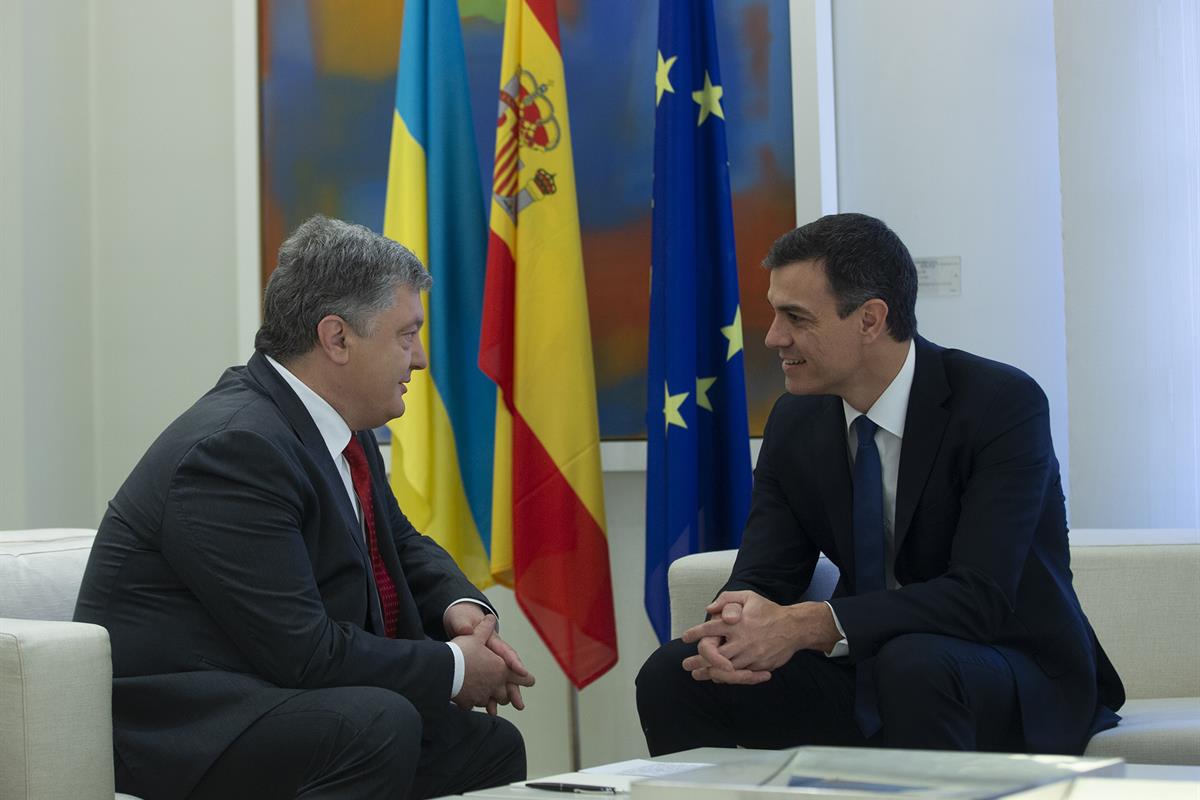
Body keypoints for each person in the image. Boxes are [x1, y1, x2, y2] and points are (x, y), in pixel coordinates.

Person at [75, 215, 534, 800]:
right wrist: (456, 668)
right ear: (337, 338)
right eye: (405, 335)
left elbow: (398, 541)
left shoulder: (338, 425)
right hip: (187, 726)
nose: (419, 359)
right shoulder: (232, 450)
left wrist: (458, 607)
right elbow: (305, 652)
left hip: (278, 700)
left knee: (485, 749)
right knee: (378, 725)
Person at [636, 213, 1124, 757]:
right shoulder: (795, 422)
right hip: (870, 666)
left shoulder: (999, 404)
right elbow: (767, 573)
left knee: (915, 665)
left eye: (795, 317)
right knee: (675, 674)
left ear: (870, 319)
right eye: (775, 314)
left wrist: (808, 623)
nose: (774, 337)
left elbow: (980, 598)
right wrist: (733, 628)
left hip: (1006, 665)